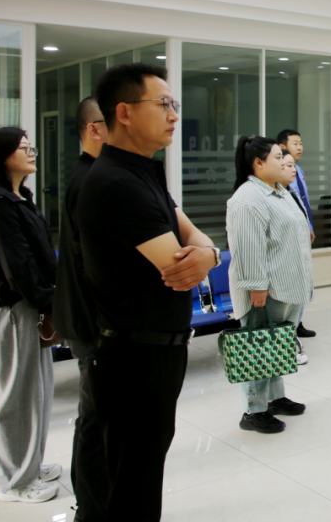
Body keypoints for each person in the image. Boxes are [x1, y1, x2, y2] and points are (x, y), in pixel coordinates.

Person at [76, 63, 219, 521]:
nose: (174, 114)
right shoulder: (114, 182)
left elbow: (195, 239)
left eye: (173, 104)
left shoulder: (143, 173)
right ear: (124, 112)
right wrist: (204, 255)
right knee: (132, 489)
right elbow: (179, 265)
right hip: (132, 358)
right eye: (163, 104)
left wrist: (210, 254)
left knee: (141, 475)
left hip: (156, 352)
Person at [0, 128, 60, 503]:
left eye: (31, 147)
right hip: (11, 308)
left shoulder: (17, 196)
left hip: (28, 304)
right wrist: (50, 300)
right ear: (1, 156)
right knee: (16, 395)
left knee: (36, 390)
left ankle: (29, 464)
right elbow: (17, 266)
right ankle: (15, 481)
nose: (31, 153)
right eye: (23, 148)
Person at [226, 136, 313, 433]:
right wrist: (257, 289)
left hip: (287, 284)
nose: (285, 161)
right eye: (278, 157)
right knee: (258, 347)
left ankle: (275, 398)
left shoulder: (279, 191)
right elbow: (249, 248)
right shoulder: (248, 199)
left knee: (276, 345)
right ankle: (253, 411)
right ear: (258, 163)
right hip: (266, 290)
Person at [54, 97, 109, 521]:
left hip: (91, 320)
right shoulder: (89, 180)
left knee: (99, 416)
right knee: (95, 419)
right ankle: (88, 508)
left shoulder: (95, 175)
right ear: (94, 129)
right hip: (92, 323)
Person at [276, 129, 317, 339]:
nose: (300, 147)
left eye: (301, 143)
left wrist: (309, 226)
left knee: (303, 278)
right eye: (295, 143)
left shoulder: (298, 171)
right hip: (290, 236)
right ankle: (290, 324)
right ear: (282, 147)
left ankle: (297, 321)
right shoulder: (279, 175)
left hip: (303, 229)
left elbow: (303, 202)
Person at [282, 154, 311, 366]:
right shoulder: (256, 197)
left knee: (293, 314)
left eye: (294, 165)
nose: (294, 170)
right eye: (288, 165)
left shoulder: (289, 193)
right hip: (282, 270)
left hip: (297, 266)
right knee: (280, 319)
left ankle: (289, 347)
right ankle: (284, 351)